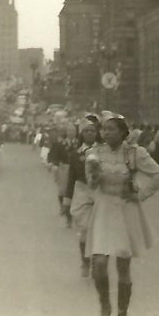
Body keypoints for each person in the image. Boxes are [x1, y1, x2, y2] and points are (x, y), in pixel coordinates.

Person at [84, 112, 159, 316]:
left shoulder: (134, 153)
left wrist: (140, 195)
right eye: (105, 130)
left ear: (123, 132)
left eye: (112, 130)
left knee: (123, 263)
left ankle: (122, 313)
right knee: (99, 262)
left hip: (125, 209)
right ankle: (104, 308)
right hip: (103, 208)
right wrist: (93, 174)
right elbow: (91, 185)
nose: (106, 133)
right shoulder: (94, 153)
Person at [67, 116, 100, 277]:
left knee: (100, 230)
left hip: (100, 192)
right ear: (82, 134)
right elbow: (71, 177)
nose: (89, 134)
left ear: (97, 133)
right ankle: (85, 262)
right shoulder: (76, 154)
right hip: (81, 191)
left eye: (92, 131)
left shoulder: (103, 152)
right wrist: (67, 199)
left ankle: (97, 262)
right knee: (85, 229)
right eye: (86, 131)